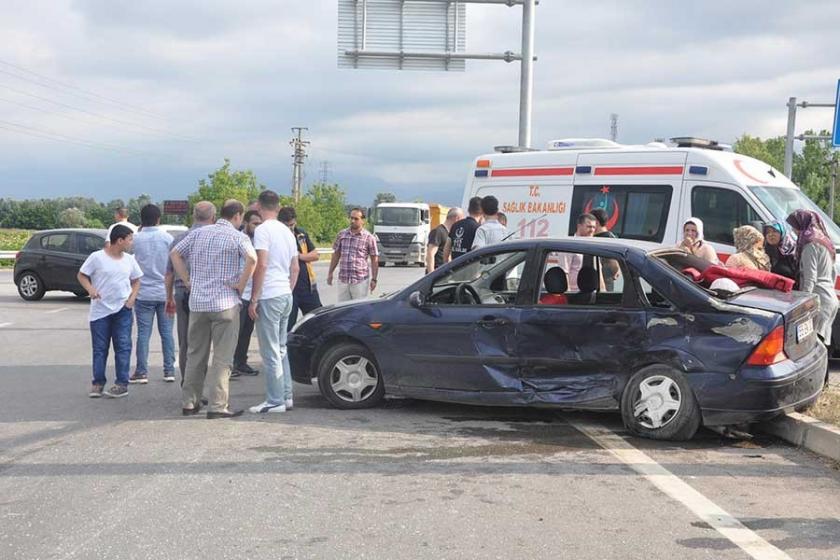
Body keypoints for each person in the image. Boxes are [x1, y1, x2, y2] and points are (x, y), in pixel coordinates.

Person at [170, 200, 256, 419]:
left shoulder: (199, 233)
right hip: (225, 304)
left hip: (198, 303)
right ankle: (218, 405)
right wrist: (241, 284)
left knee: (195, 354)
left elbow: (175, 254)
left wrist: (187, 280)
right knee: (222, 357)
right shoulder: (237, 237)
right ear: (238, 215)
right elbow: (252, 258)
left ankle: (189, 402)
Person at [248, 191, 300, 414]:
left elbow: (262, 265)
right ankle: (286, 395)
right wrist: (287, 289)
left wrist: (254, 297)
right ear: (278, 207)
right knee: (281, 349)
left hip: (269, 295)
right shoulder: (287, 232)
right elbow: (295, 267)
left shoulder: (262, 230)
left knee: (269, 352)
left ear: (259, 206)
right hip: (285, 293)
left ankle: (274, 400)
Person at [77, 225, 143, 399]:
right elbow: (82, 275)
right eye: (129, 239)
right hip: (100, 310)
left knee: (123, 347)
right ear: (119, 240)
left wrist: (132, 299)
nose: (131, 242)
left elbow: (136, 280)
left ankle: (122, 383)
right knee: (100, 348)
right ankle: (98, 383)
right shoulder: (97, 257)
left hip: (123, 309)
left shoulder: (129, 259)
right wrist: (90, 289)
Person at [165, 201, 216, 382]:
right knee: (202, 342)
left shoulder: (179, 239)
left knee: (185, 342)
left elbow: (169, 272)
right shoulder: (214, 238)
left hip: (181, 292)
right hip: (207, 294)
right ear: (213, 217)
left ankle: (187, 383)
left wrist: (169, 297)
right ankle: (197, 385)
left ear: (194, 216)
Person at [129, 204, 176, 384]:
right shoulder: (167, 238)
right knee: (167, 333)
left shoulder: (136, 239)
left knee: (143, 333)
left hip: (143, 292)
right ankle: (169, 370)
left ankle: (141, 371)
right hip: (165, 292)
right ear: (159, 218)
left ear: (141, 219)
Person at [786, 210, 838, 347]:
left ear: (802, 225)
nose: (793, 230)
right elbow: (833, 272)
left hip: (818, 300)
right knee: (822, 347)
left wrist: (802, 303)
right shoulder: (824, 241)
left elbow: (810, 277)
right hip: (830, 298)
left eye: (794, 226)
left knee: (812, 349)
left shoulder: (810, 245)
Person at [280, 206, 323, 332]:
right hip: (288, 287)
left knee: (317, 320)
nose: (290, 228)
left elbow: (315, 255)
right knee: (287, 326)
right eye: (286, 225)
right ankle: (286, 350)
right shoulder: (278, 237)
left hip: (308, 286)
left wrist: (298, 256)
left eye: (292, 224)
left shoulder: (301, 234)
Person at [232, 210, 262, 377]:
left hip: (253, 292)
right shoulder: (237, 238)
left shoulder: (260, 240)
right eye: (254, 223)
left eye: (260, 224)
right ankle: (230, 364)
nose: (257, 227)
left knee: (247, 331)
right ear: (246, 223)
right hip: (239, 292)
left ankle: (241, 362)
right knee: (235, 331)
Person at [327, 208, 379, 302]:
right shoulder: (342, 234)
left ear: (363, 220)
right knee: (343, 310)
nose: (352, 221)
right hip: (343, 279)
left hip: (360, 280)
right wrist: (330, 272)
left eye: (356, 219)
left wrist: (374, 279)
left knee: (358, 310)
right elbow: (336, 255)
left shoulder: (369, 237)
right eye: (351, 218)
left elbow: (374, 259)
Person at [559, 213, 597, 291]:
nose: (592, 230)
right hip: (574, 292)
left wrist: (603, 290)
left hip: (592, 292)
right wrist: (567, 294)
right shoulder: (569, 246)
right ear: (579, 226)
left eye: (594, 227)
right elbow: (564, 272)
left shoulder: (595, 247)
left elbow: (598, 271)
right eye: (589, 227)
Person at [427, 207, 463, 273]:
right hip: (437, 271)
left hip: (445, 272)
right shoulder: (438, 231)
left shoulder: (451, 233)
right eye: (461, 219)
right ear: (457, 218)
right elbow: (430, 254)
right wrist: (431, 275)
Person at [590, 208, 619, 291]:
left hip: (604, 282)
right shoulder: (612, 237)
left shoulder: (602, 240)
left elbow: (613, 264)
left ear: (597, 222)